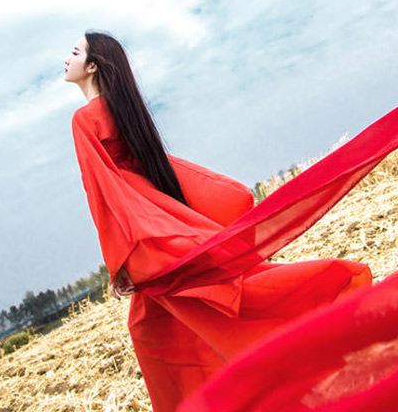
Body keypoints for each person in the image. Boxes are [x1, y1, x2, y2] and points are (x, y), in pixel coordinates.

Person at [65, 30, 372, 412]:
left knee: (167, 325)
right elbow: (148, 169)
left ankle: (284, 356)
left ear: (93, 66)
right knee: (158, 322)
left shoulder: (83, 119)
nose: (67, 59)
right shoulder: (123, 110)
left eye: (75, 52)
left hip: (142, 229)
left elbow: (101, 189)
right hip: (157, 218)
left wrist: (118, 263)